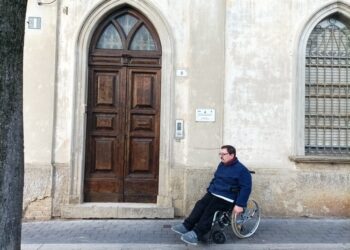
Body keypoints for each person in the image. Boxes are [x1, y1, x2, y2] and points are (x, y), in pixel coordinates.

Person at [171, 145, 252, 245]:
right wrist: (210, 189)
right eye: (220, 154)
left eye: (223, 154)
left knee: (210, 209)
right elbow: (216, 178)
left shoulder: (242, 170)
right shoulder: (222, 165)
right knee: (200, 204)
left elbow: (246, 188)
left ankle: (197, 233)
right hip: (214, 192)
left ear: (232, 155)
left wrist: (240, 205)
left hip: (227, 198)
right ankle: (187, 225)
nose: (221, 156)